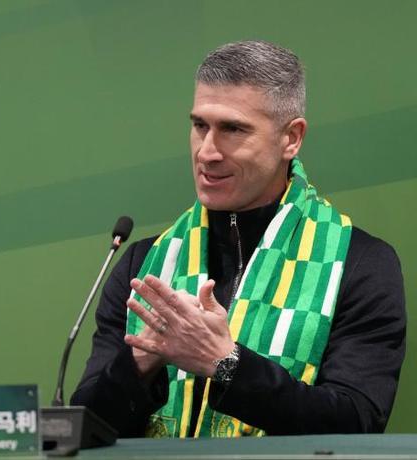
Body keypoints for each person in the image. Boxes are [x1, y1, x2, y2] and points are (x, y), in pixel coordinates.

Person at [70, 40, 406, 438]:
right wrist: (139, 364)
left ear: (291, 138)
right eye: (200, 126)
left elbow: (357, 422)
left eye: (232, 129)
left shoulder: (360, 262)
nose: (207, 152)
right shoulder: (142, 263)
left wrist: (226, 364)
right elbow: (80, 432)